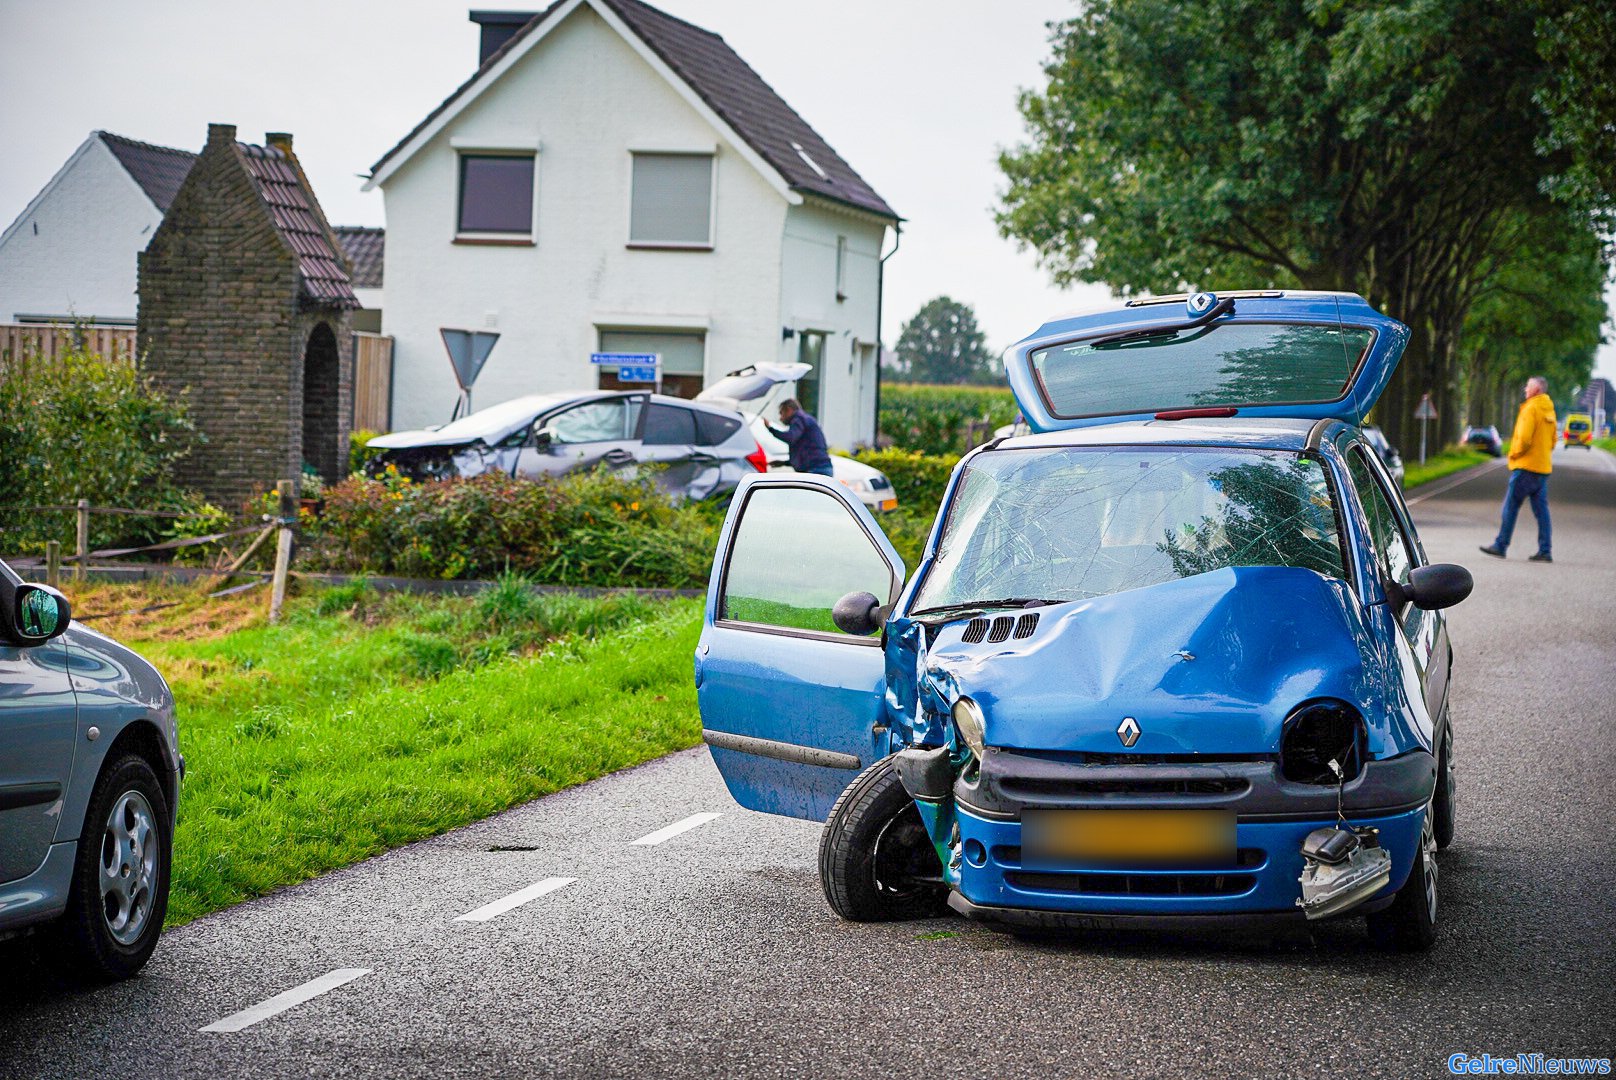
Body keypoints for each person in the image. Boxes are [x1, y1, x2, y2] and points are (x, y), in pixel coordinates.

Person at [1480, 375, 1557, 563]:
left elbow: (1524, 439)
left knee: (1510, 507)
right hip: (1542, 467)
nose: (1525, 390)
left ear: (1537, 390)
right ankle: (1545, 550)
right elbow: (1554, 440)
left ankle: (1500, 545)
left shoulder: (1531, 408)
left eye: (1528, 387)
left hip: (1525, 467)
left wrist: (1513, 454)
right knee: (1542, 512)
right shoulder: (1549, 409)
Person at [766, 398, 834, 477]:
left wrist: (770, 429)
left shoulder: (798, 419)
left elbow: (790, 437)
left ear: (789, 410)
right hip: (820, 467)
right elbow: (805, 453)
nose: (780, 418)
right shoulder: (805, 419)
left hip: (816, 469)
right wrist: (784, 463)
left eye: (781, 413)